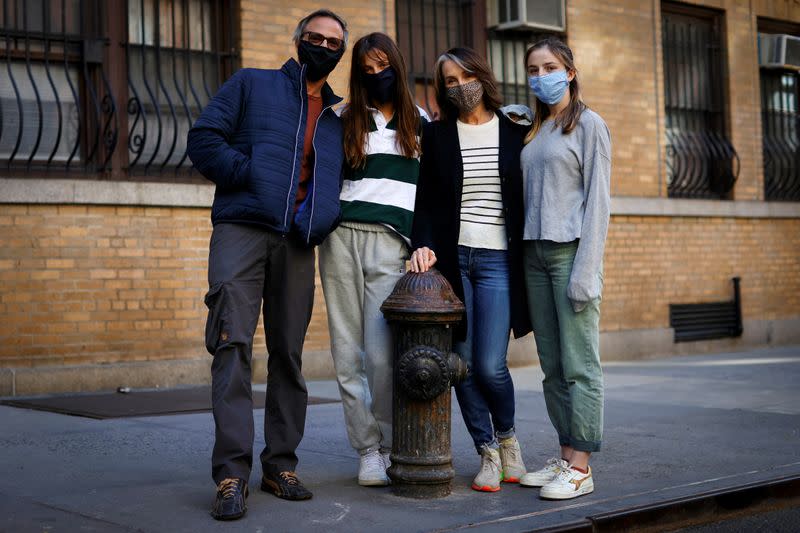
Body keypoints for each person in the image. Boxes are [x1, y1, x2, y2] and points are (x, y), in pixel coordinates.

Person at [186, 9, 348, 521]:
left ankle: (280, 466)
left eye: (333, 41)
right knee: (232, 344)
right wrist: (250, 175)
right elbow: (204, 140)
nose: (323, 44)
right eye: (314, 37)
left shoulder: (336, 121)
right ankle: (231, 474)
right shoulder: (252, 84)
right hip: (242, 229)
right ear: (298, 39)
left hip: (298, 243)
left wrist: (321, 219)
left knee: (289, 356)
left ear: (341, 52)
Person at [410, 47, 531, 493]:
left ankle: (510, 440)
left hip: (498, 260)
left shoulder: (516, 131)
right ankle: (487, 452)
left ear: (483, 76)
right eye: (450, 80)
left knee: (489, 365)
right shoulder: (437, 135)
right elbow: (425, 201)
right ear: (442, 87)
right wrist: (421, 244)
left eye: (467, 76)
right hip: (454, 261)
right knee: (460, 365)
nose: (461, 86)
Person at [319, 32, 428, 487]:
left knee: (382, 357)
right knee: (347, 353)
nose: (375, 75)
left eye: (382, 65)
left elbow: (430, 194)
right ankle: (367, 451)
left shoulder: (420, 121)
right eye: (365, 69)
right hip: (341, 238)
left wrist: (421, 243)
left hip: (391, 242)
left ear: (397, 67)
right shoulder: (340, 117)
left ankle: (389, 443)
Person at [518, 36, 611, 500]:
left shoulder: (590, 125)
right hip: (533, 255)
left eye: (549, 67)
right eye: (533, 70)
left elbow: (599, 203)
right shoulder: (533, 131)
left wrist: (586, 270)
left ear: (570, 72)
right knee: (552, 368)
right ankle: (565, 451)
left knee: (580, 366)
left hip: (569, 253)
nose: (541, 77)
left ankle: (582, 466)